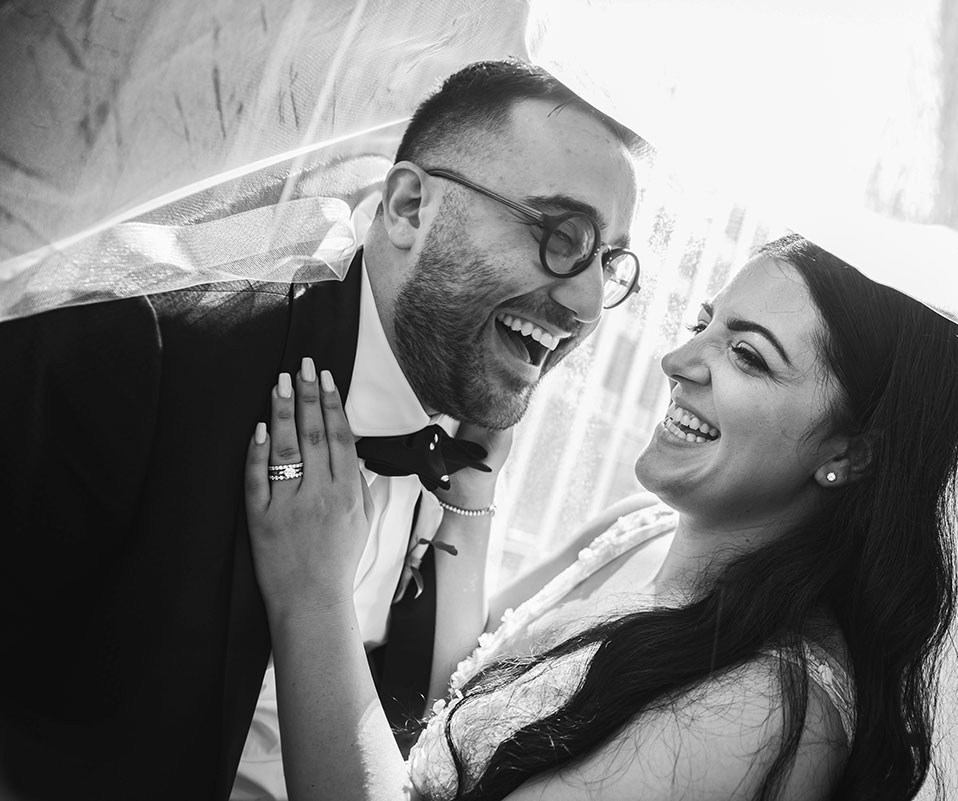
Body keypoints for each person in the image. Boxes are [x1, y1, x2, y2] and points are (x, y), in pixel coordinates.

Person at [0, 59, 643, 801]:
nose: (589, 303)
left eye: (611, 263)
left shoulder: (465, 431)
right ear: (409, 207)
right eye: (563, 235)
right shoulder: (145, 345)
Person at [244, 233, 958, 800]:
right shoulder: (638, 531)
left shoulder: (762, 715)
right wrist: (473, 479)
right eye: (703, 323)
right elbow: (460, 695)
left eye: (748, 356)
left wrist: (312, 591)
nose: (678, 359)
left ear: (850, 452)